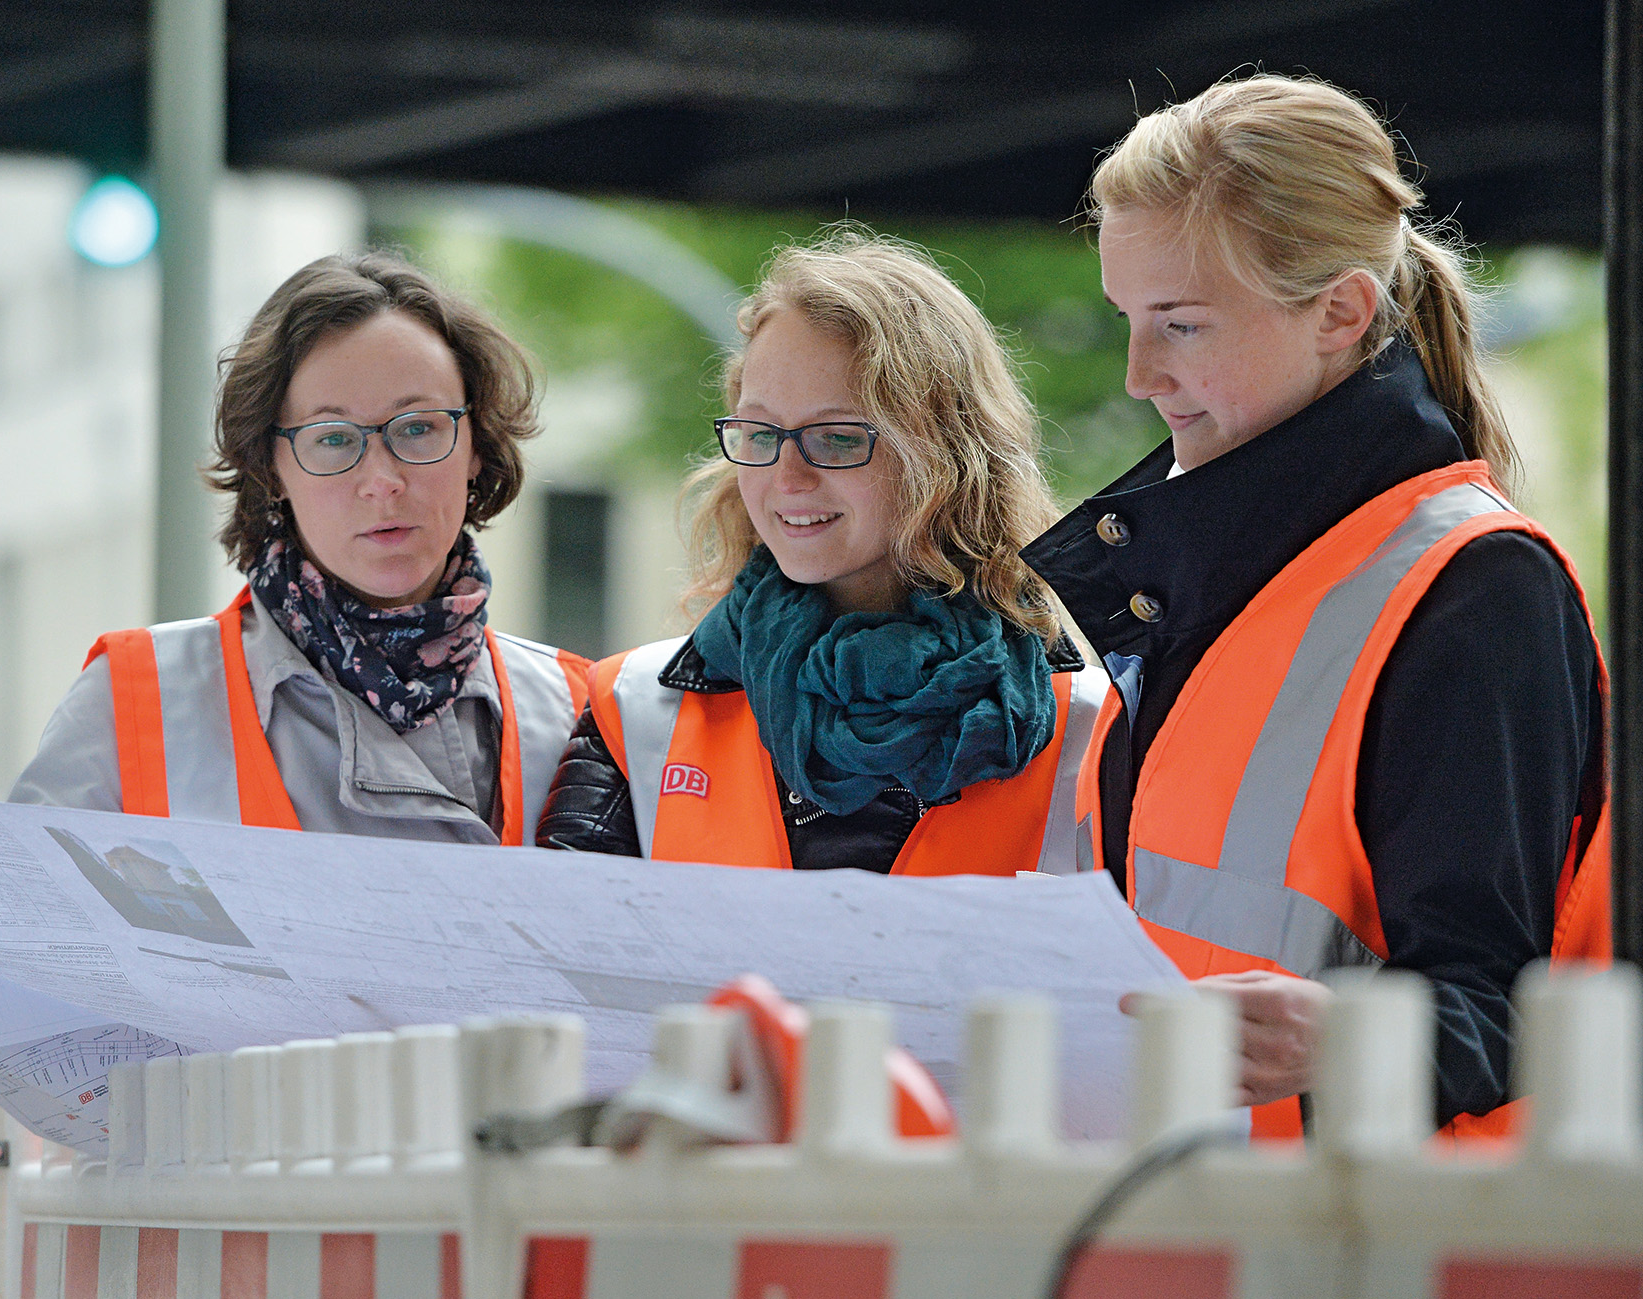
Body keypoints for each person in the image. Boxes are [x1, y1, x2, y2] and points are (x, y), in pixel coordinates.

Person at [1019, 76, 1610, 1140]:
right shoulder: (1207, 577)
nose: (1140, 373)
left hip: (1364, 1246)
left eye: (1182, 324)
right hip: (1188, 1222)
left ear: (1341, 311)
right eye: (1127, 318)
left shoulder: (1476, 588)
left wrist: (1343, 1040)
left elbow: (1525, 1011)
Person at [538, 231, 1108, 878]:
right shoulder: (634, 708)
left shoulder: (1091, 728)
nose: (786, 476)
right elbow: (566, 970)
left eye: (835, 438)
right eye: (759, 432)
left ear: (947, 457)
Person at [10, 250, 589, 845]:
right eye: (333, 438)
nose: (383, 480)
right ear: (272, 470)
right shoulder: (136, 703)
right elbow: (26, 927)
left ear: (476, 446)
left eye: (418, 427)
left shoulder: (582, 711)